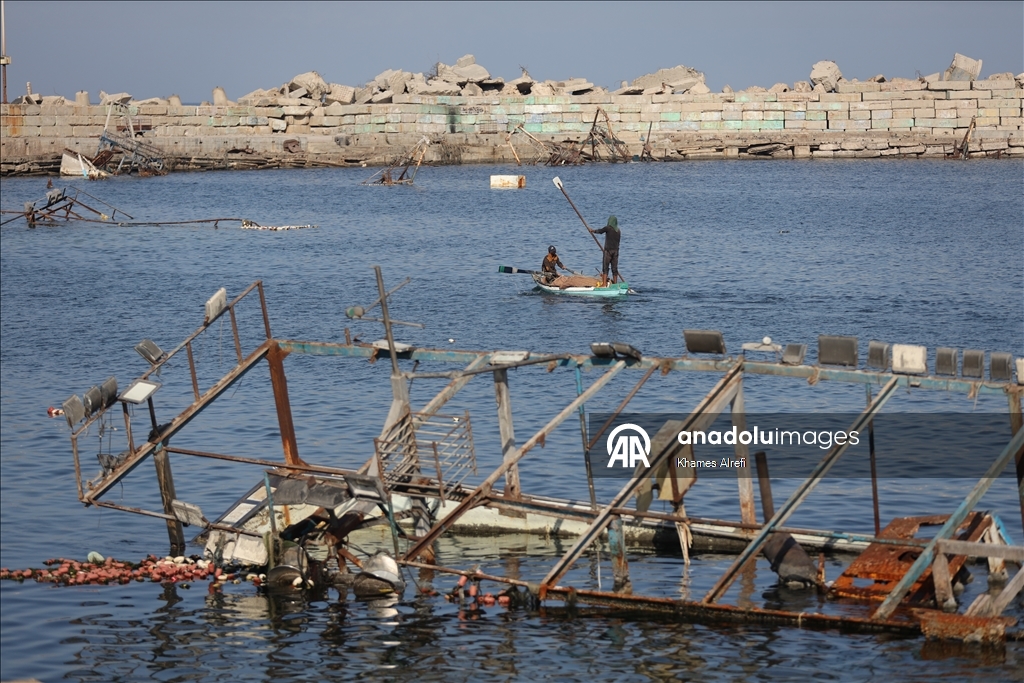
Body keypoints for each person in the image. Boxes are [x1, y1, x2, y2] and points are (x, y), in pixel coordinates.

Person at [590, 215, 621, 285]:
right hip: (616, 252)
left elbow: (600, 231)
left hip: (608, 251)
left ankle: (604, 284)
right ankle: (615, 284)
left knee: (605, 268)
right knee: (614, 268)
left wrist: (592, 231)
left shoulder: (608, 228)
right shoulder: (618, 231)